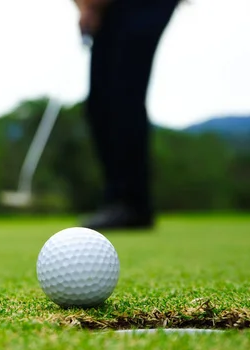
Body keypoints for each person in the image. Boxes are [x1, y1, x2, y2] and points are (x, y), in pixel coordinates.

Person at [74, 0, 181, 230]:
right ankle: (117, 200)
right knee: (99, 103)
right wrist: (85, 7)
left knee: (124, 96)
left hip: (143, 5)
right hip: (108, 8)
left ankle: (132, 203)